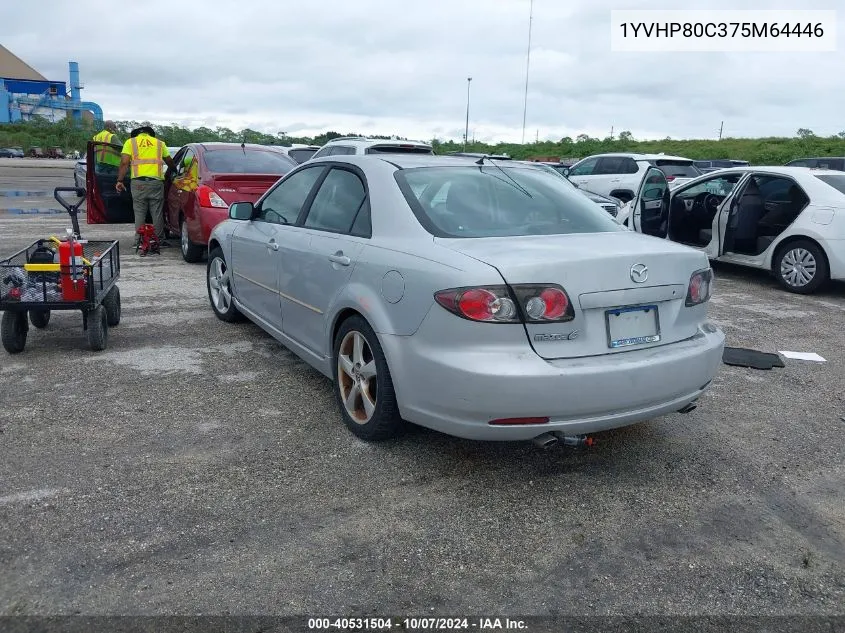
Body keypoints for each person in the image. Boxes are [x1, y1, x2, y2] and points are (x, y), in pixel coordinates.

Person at [115, 126, 176, 249]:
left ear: (137, 134)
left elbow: (124, 162)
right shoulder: (159, 143)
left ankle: (138, 242)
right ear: (150, 134)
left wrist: (120, 180)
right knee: (157, 213)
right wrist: (175, 171)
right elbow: (169, 161)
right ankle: (159, 241)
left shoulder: (130, 142)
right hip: (156, 183)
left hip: (138, 183)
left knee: (139, 213)